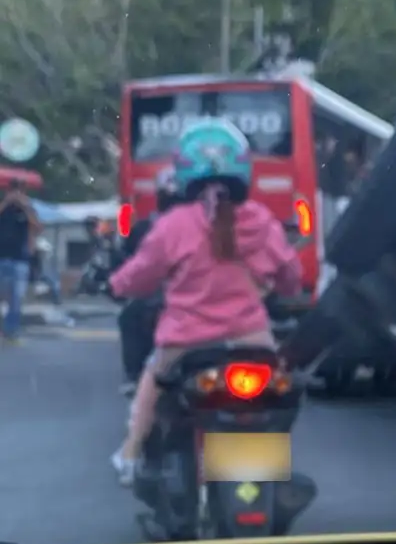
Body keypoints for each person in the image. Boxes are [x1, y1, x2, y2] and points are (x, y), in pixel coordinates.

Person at [108, 118, 303, 484]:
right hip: (252, 339)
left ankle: (130, 454)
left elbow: (140, 274)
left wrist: (116, 285)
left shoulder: (175, 224)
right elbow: (291, 277)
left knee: (151, 381)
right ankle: (270, 463)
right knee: (281, 392)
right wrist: (280, 287)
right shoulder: (262, 221)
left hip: (185, 342)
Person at [115, 165, 180, 395]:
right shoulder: (210, 223)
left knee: (129, 316)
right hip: (174, 296)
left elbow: (134, 265)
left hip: (175, 297)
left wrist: (117, 284)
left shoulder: (151, 227)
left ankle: (134, 376)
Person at [0, 178, 38, 345]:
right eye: (13, 191)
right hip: (1, 257)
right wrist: (5, 203)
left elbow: (37, 227)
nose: (16, 194)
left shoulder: (27, 210)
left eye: (20, 191)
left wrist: (26, 207)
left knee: (16, 298)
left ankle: (11, 331)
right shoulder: (4, 208)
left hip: (19, 260)